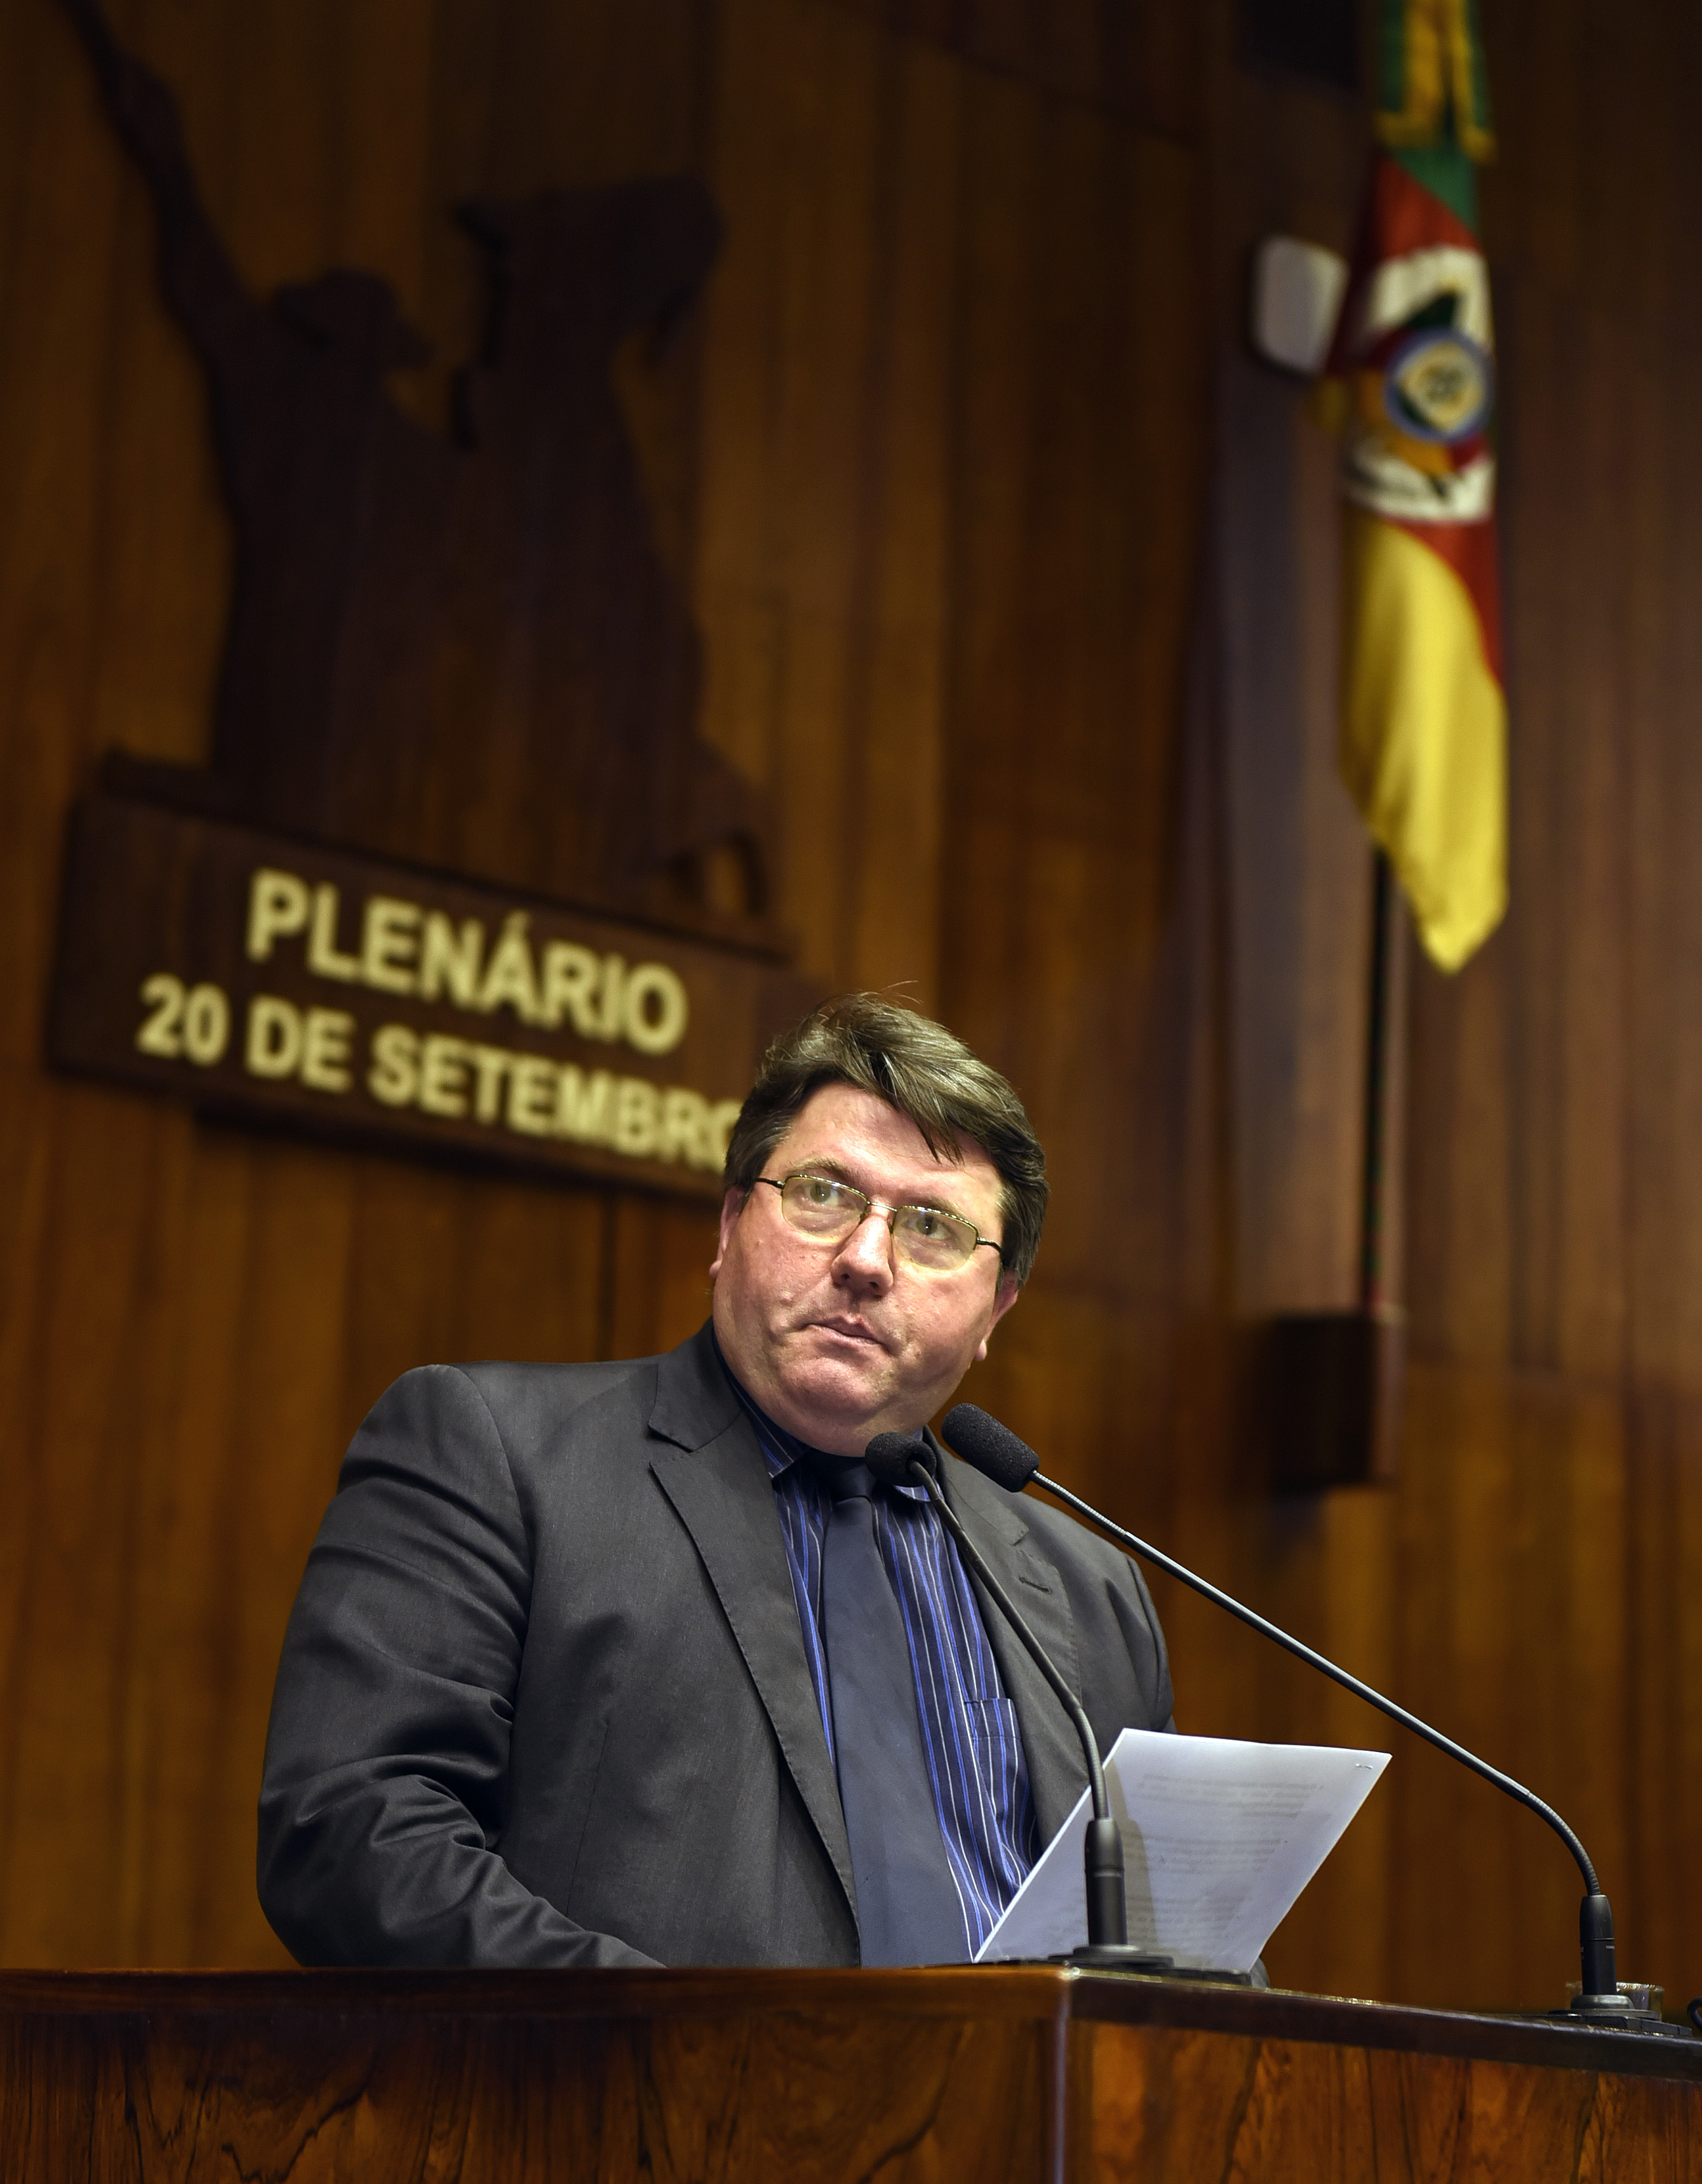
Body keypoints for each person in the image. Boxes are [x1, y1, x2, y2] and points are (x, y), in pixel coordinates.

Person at [257, 995, 1174, 1967]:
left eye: (932, 1227)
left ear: (998, 1306)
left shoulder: (1091, 1593)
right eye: (824, 1193)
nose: (866, 1259)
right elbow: (356, 1831)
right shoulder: (499, 1456)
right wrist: (686, 2041)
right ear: (733, 1221)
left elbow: (1178, 1949)